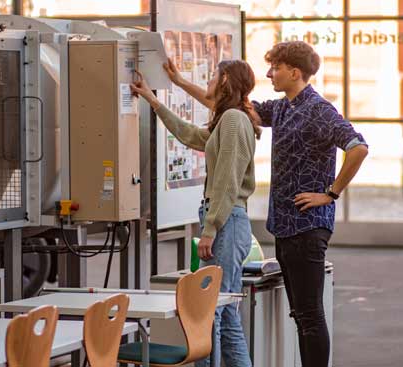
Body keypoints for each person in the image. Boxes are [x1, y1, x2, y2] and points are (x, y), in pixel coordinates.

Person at [164, 41, 369, 367]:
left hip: (308, 226)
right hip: (286, 227)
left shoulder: (319, 110)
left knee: (310, 315)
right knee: (301, 316)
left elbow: (358, 147)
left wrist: (330, 194)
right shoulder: (283, 107)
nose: (269, 73)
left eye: (275, 68)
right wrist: (178, 83)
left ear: (295, 72)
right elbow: (224, 101)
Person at [131, 60, 259, 367]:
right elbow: (189, 134)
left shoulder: (232, 119)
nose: (210, 81)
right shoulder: (231, 119)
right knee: (225, 316)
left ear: (225, 79)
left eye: (214, 76)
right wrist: (153, 100)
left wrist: (210, 228)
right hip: (229, 221)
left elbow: (227, 180)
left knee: (209, 313)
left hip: (225, 223)